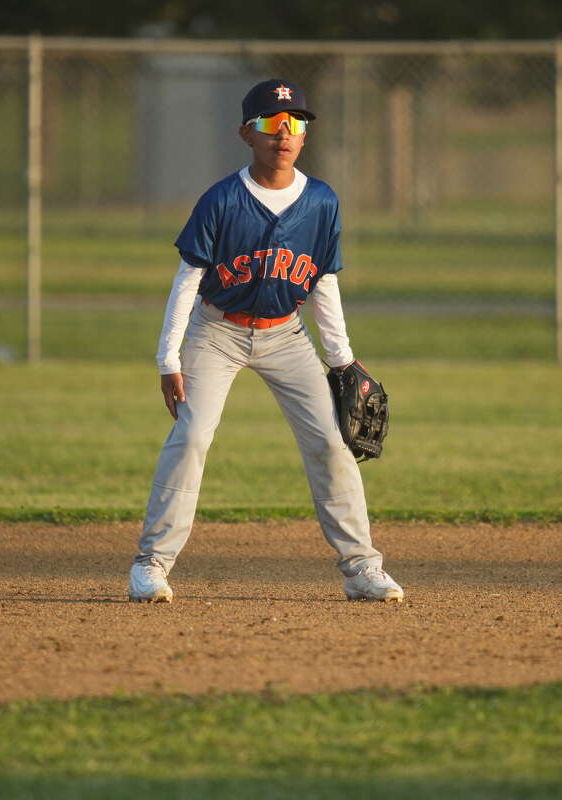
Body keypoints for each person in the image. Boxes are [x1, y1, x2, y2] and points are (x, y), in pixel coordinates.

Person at [128, 78, 403, 604]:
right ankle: (151, 564)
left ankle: (363, 568)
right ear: (246, 133)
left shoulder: (321, 201)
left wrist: (342, 360)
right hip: (216, 333)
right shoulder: (222, 199)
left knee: (331, 442)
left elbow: (323, 282)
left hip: (287, 336)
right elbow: (188, 279)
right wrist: (168, 359)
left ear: (305, 135)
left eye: (295, 123)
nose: (284, 133)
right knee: (192, 437)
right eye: (272, 123)